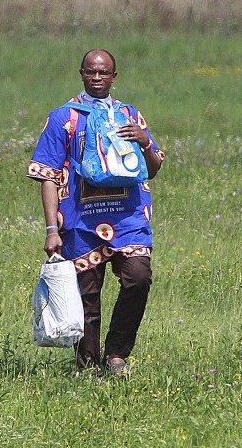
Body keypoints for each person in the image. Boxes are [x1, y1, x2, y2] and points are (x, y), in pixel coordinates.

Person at [27, 49, 165, 375]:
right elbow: (47, 175)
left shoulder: (129, 115)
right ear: (82, 74)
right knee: (86, 297)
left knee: (138, 278)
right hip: (80, 219)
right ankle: (88, 368)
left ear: (114, 76)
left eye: (104, 72)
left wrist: (145, 142)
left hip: (128, 218)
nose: (98, 77)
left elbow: (154, 168)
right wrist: (50, 229)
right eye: (91, 72)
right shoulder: (65, 117)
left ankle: (117, 354)